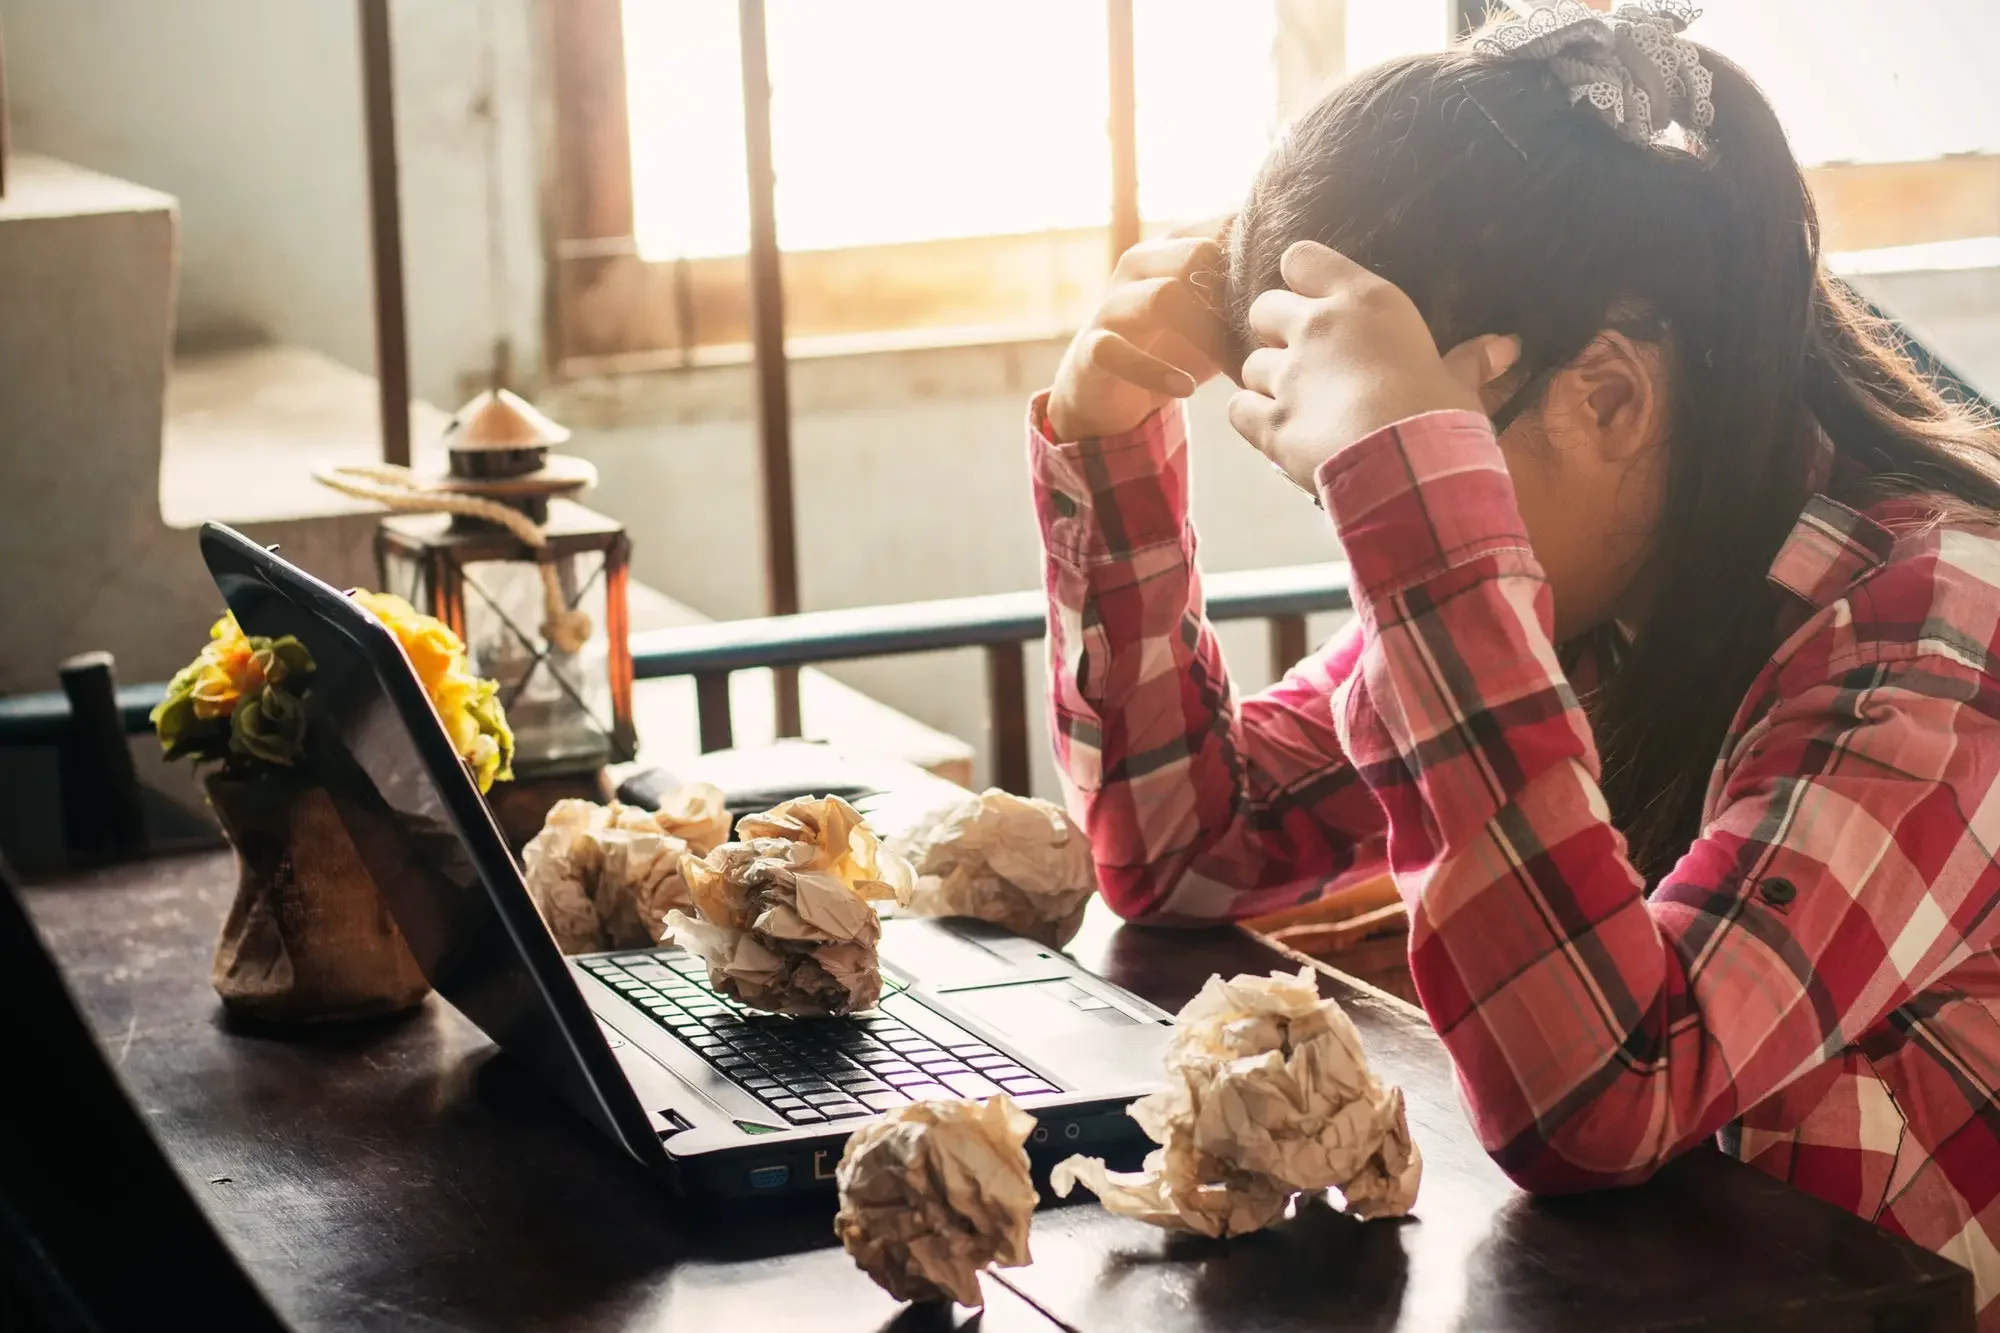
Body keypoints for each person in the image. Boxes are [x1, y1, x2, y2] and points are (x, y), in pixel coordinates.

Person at [1030, 0, 2000, 1316]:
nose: (1372, 547)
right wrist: (1113, 437)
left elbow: (1601, 1097)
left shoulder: (1940, 630)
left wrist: (1424, 529)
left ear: (1606, 394)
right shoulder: (1589, 597)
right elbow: (1189, 849)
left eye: (1407, 468)